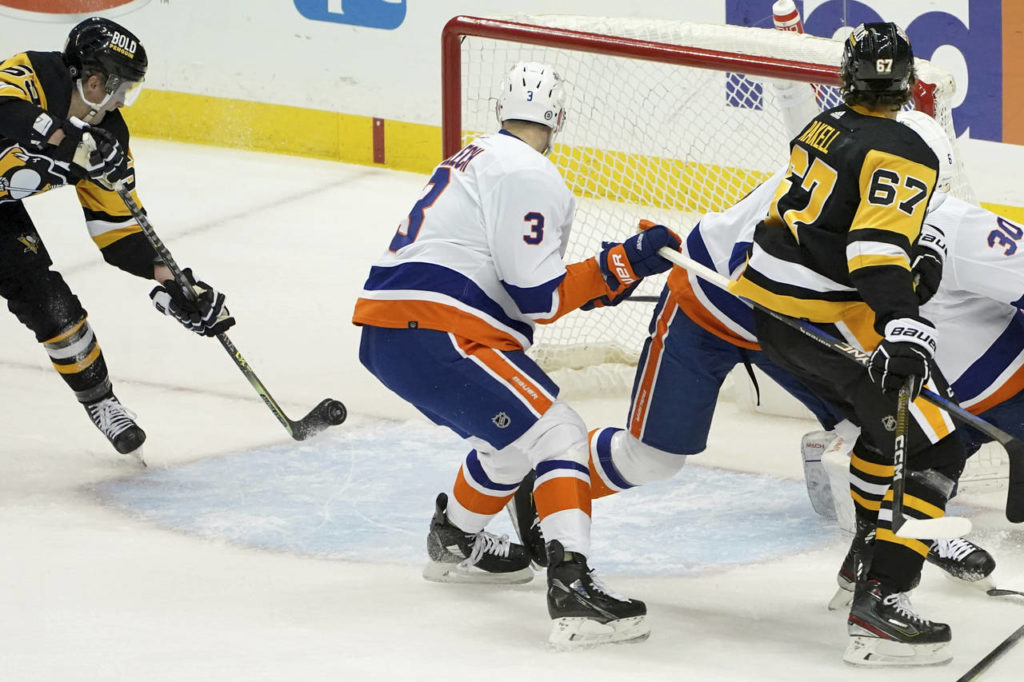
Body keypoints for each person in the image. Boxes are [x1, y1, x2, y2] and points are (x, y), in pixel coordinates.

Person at [507, 111, 994, 599]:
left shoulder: (868, 180)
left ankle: (884, 543)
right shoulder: (823, 197)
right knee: (651, 459)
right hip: (708, 310)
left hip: (785, 324)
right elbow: (773, 273)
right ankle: (546, 480)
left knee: (881, 424)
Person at [352, 61, 679, 647]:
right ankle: (573, 590)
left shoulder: (472, 158)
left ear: (501, 109)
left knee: (510, 442)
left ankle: (455, 538)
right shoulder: (530, 171)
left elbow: (517, 284)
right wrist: (622, 261)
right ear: (558, 118)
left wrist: (608, 276)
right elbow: (539, 296)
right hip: (441, 331)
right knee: (559, 432)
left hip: (390, 336)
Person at [727, 22, 964, 666]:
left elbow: (840, 224)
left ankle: (865, 555)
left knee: (882, 430)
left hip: (774, 316)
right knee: (939, 446)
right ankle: (882, 602)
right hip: (825, 317)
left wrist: (917, 262)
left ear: (847, 77)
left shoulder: (824, 125)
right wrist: (902, 322)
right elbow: (873, 249)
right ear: (908, 83)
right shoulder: (906, 148)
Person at [0, 17, 234, 461]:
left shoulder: (108, 140)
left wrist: (175, 283)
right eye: (121, 87)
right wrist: (63, 138)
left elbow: (119, 231)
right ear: (93, 82)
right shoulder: (35, 73)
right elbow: (3, 108)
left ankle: (102, 402)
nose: (123, 100)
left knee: (49, 300)